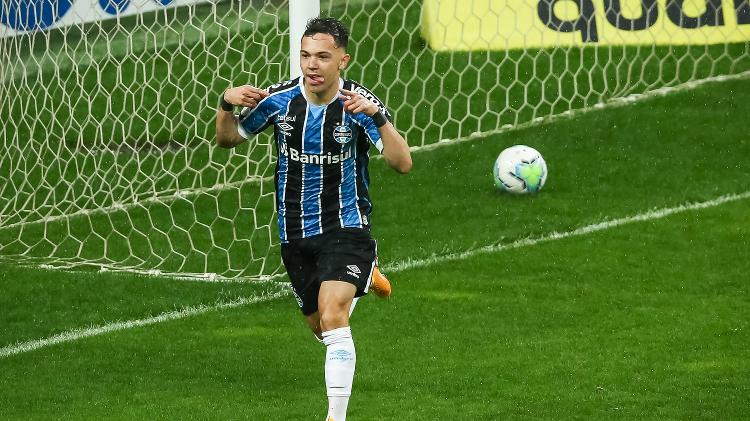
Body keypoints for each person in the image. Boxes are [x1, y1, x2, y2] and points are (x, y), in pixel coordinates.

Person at [215, 17, 412, 421]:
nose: (312, 65)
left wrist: (378, 118)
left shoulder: (358, 105)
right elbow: (227, 138)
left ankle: (335, 418)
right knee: (323, 329)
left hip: (346, 226)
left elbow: (402, 163)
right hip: (294, 231)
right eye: (305, 55)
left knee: (334, 314)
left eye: (323, 56)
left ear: (343, 60)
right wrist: (225, 101)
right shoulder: (279, 100)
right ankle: (367, 272)